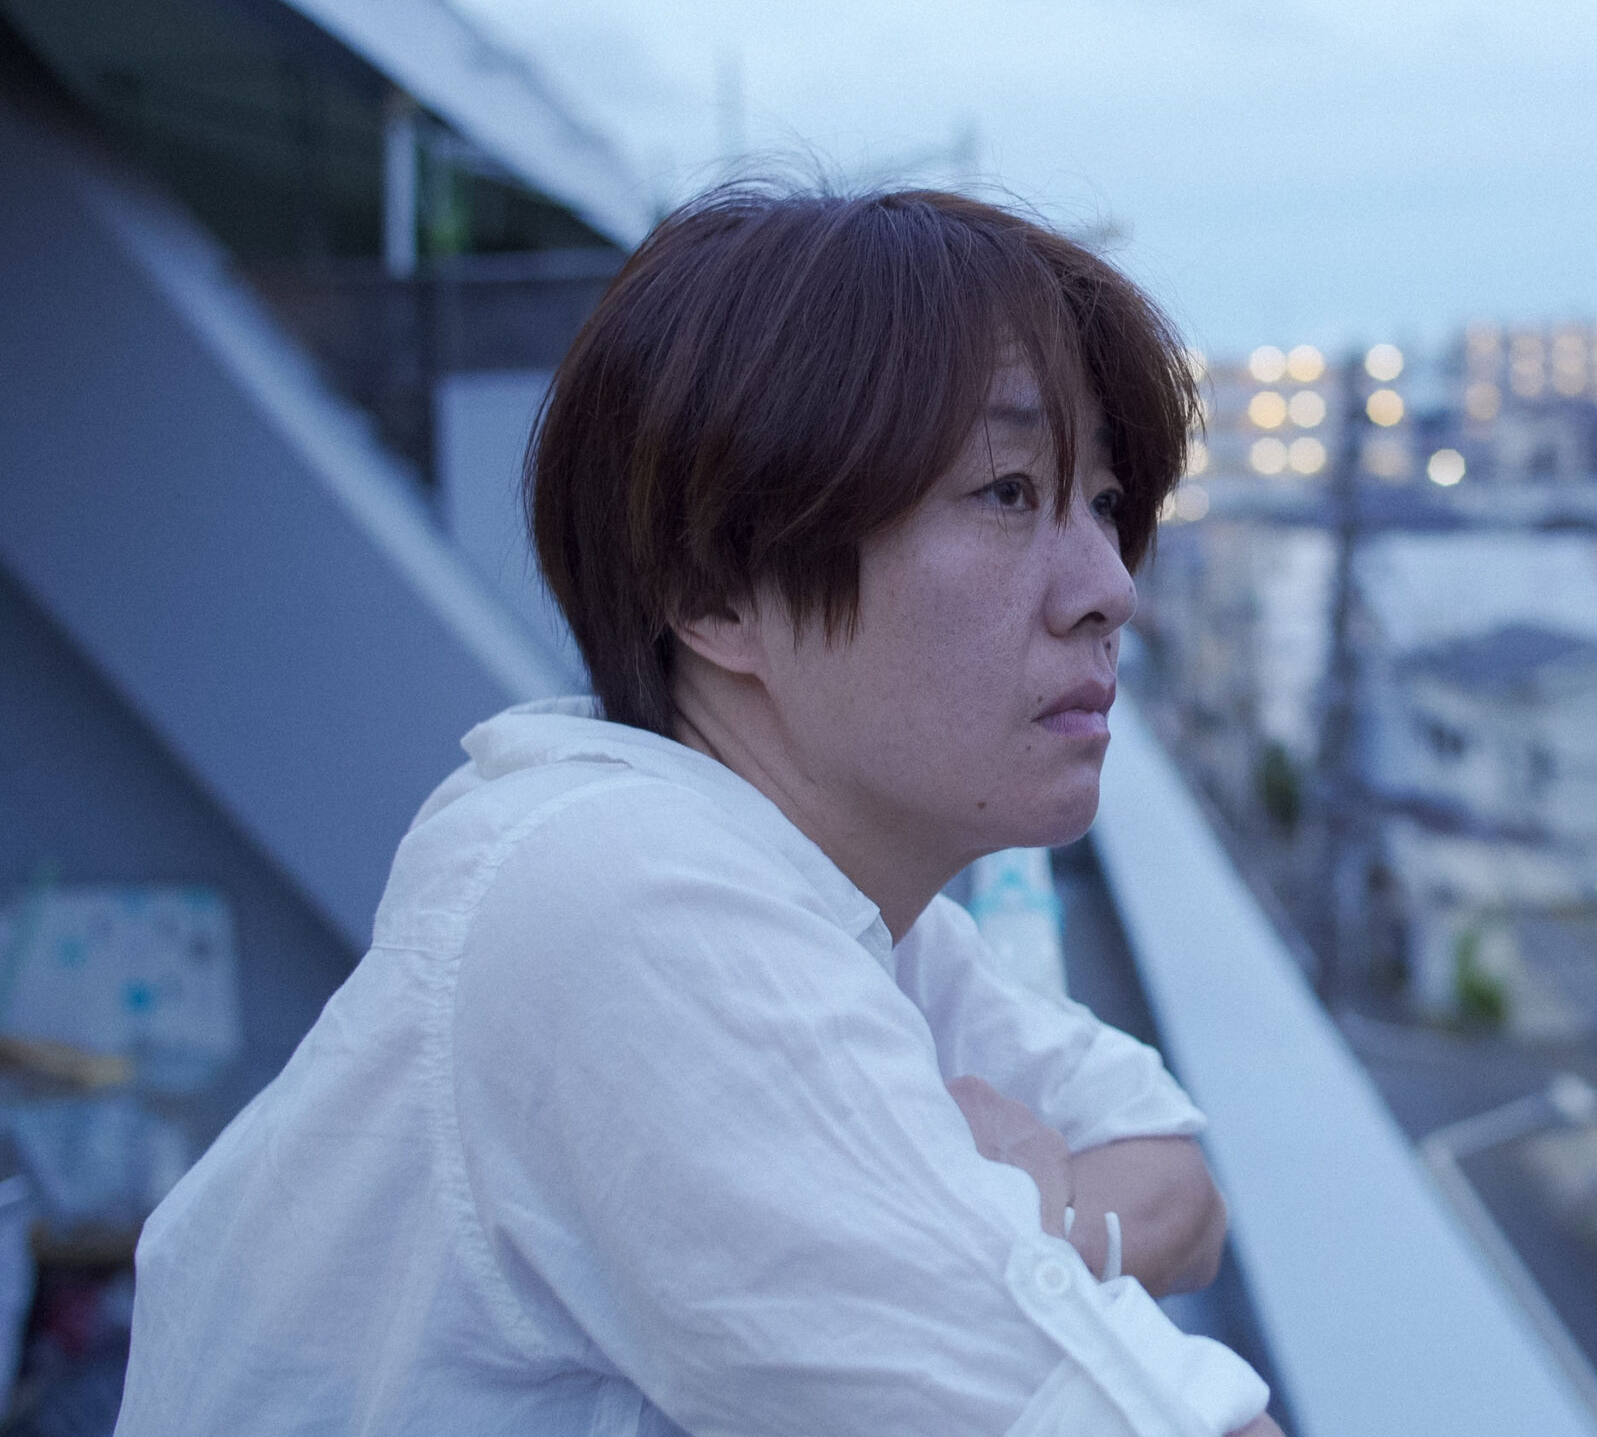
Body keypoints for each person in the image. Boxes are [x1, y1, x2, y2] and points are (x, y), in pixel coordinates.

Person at [117, 184, 1282, 1437]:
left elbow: (1182, 1186)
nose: (1109, 586)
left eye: (1100, 502)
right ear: (716, 588)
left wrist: (1036, 1230)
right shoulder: (627, 900)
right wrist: (1026, 1231)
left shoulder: (848, 907)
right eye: (1007, 492)